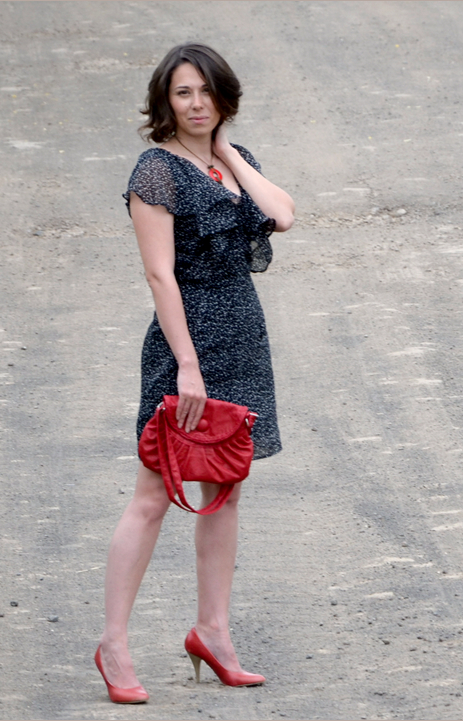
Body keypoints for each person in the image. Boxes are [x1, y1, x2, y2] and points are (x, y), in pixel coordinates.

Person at [95, 43, 295, 704]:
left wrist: (227, 151)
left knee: (227, 489)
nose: (196, 103)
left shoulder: (236, 165)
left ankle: (213, 630)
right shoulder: (154, 172)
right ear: (164, 102)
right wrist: (185, 363)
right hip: (186, 344)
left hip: (241, 338)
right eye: (183, 93)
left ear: (224, 98)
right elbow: (159, 273)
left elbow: (283, 214)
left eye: (207, 92)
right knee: (153, 494)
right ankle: (114, 643)